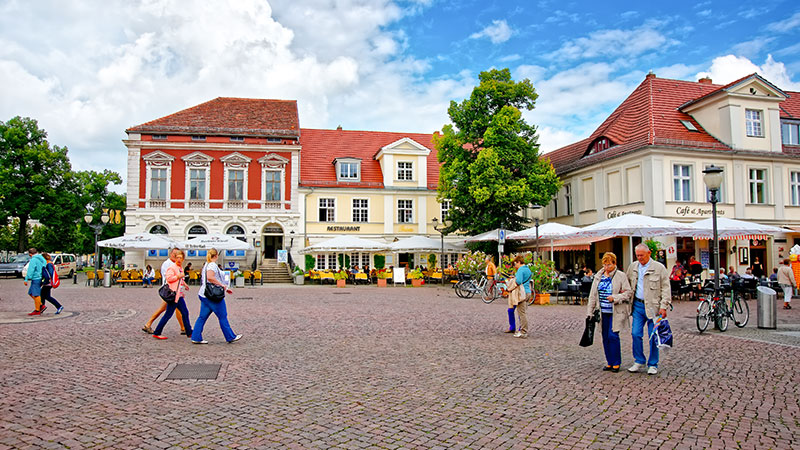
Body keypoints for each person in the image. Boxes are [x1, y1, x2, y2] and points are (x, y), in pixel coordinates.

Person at [626, 243, 671, 376]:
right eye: (637, 255)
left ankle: (653, 364)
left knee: (653, 336)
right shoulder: (633, 267)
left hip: (654, 307)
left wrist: (664, 306)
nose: (639, 258)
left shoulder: (659, 268)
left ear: (649, 253)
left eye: (642, 255)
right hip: (638, 306)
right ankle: (639, 360)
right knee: (635, 334)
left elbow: (666, 288)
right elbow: (627, 284)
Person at [586, 252, 631, 373]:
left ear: (614, 263)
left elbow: (628, 292)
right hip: (602, 311)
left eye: (609, 265)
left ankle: (616, 362)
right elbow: (593, 295)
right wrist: (589, 312)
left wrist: (615, 297)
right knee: (605, 337)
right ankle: (609, 362)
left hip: (615, 311)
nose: (607, 267)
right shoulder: (598, 276)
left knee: (613, 336)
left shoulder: (621, 276)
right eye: (605, 265)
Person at [191, 249, 242, 344]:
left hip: (204, 294)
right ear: (216, 256)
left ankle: (196, 336)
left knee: (202, 317)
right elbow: (210, 277)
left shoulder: (206, 264)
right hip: (212, 295)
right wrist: (222, 285)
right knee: (222, 316)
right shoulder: (212, 265)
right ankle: (230, 336)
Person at [142, 248, 186, 334]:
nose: (177, 257)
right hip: (170, 291)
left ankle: (183, 328)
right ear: (171, 254)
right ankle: (149, 324)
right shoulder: (168, 264)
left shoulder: (174, 264)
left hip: (174, 291)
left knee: (178, 310)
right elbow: (169, 278)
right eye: (175, 254)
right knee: (165, 310)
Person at [153, 249, 192, 340]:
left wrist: (184, 285)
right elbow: (169, 278)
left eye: (180, 258)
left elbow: (180, 279)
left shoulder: (180, 267)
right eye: (177, 257)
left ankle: (189, 332)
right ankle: (157, 332)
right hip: (173, 295)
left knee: (185, 313)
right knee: (169, 314)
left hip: (178, 295)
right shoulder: (172, 267)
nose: (178, 259)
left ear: (183, 259)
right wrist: (179, 276)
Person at [506, 256, 532, 338]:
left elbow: (519, 281)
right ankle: (521, 330)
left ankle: (523, 331)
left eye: (515, 264)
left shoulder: (520, 270)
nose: (514, 266)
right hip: (528, 291)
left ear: (518, 262)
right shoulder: (527, 269)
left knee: (521, 313)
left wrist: (512, 284)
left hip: (521, 293)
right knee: (523, 312)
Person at [22, 248, 47, 315]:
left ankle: (38, 309)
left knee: (36, 294)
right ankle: (41, 305)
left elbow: (31, 270)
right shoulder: (41, 258)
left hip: (36, 278)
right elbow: (44, 265)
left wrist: (26, 279)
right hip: (40, 277)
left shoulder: (33, 260)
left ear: (30, 254)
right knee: (31, 292)